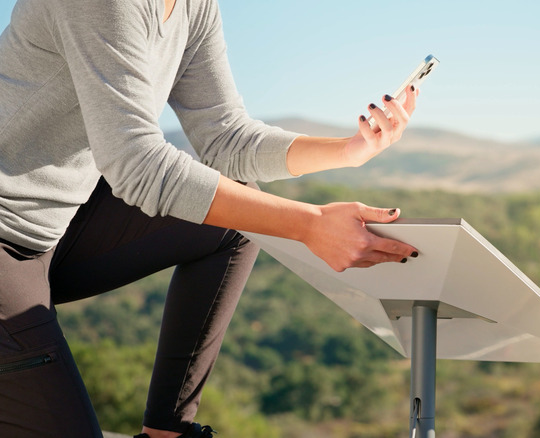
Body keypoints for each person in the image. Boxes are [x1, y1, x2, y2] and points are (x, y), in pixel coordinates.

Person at [0, 0, 421, 437]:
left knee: (236, 223)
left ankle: (167, 432)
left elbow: (224, 138)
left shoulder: (193, 7)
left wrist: (349, 151)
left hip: (54, 231)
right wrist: (308, 223)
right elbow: (135, 161)